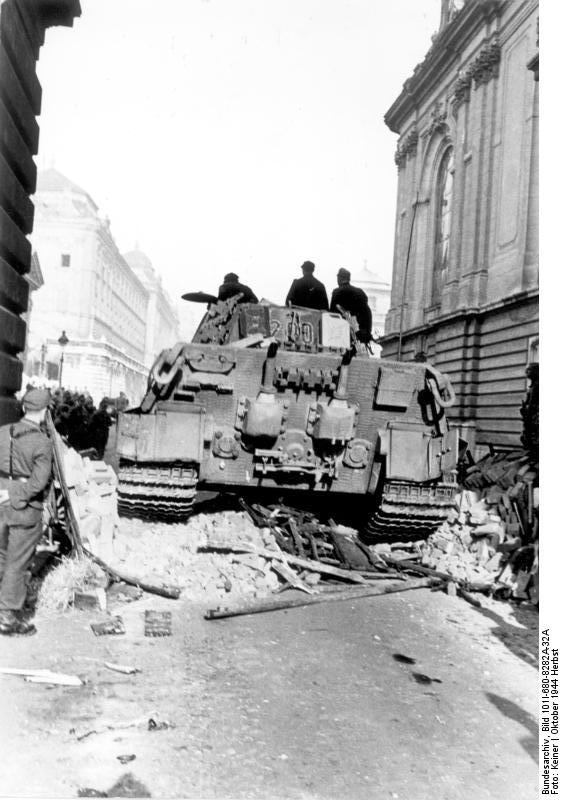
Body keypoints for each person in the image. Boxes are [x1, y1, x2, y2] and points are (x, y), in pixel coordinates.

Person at [0, 388, 53, 636]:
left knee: (1, 557)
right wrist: (16, 494)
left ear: (23, 408)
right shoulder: (42, 442)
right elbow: (39, 482)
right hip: (24, 508)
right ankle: (7, 618)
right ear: (43, 412)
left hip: (1, 502)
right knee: (17, 564)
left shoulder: (2, 432)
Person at [330, 268, 372, 343]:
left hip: (343, 334)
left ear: (339, 278)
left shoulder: (337, 292)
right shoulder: (360, 292)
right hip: (360, 334)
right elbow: (367, 313)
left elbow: (332, 314)